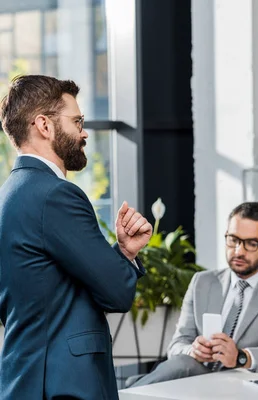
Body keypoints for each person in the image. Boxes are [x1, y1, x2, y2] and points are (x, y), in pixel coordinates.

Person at [0, 75, 151, 399]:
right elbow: (116, 293)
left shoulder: (10, 194)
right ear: (44, 125)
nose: (83, 132)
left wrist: (122, 251)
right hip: (63, 385)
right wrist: (124, 257)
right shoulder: (56, 194)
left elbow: (51, 288)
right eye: (76, 120)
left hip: (27, 379)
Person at [130, 202, 258, 386]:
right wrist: (192, 351)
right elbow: (177, 346)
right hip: (193, 385)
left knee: (178, 367)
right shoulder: (202, 282)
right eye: (233, 239)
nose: (238, 251)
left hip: (244, 387)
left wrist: (243, 357)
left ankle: (130, 390)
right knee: (183, 362)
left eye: (251, 243)